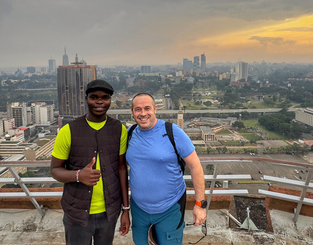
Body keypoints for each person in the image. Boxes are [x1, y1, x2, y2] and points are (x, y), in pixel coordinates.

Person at [50, 79, 130, 245]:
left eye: (105, 97)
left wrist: (125, 209)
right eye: (94, 97)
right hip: (77, 214)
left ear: (110, 100)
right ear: (86, 99)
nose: (100, 101)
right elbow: (55, 170)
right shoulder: (68, 130)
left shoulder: (119, 129)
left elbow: (121, 168)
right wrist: (78, 175)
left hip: (109, 212)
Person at [126, 93, 207, 245]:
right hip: (139, 208)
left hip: (170, 208)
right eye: (138, 109)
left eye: (147, 108)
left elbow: (195, 166)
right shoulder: (129, 134)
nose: (143, 114)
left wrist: (199, 205)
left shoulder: (173, 132)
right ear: (132, 112)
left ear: (155, 109)